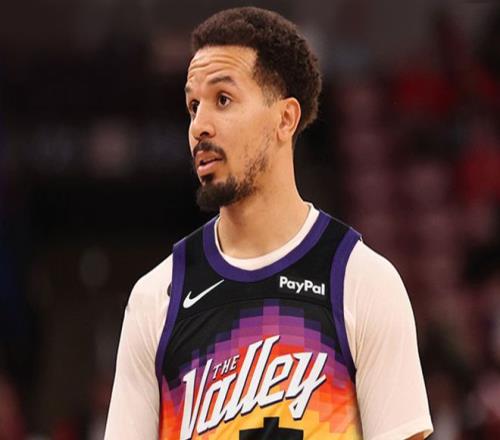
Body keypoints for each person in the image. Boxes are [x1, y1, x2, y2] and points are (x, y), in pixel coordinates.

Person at [105, 7, 433, 440]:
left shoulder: (363, 281)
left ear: (285, 119)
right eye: (193, 106)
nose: (199, 126)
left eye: (223, 100)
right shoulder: (156, 297)